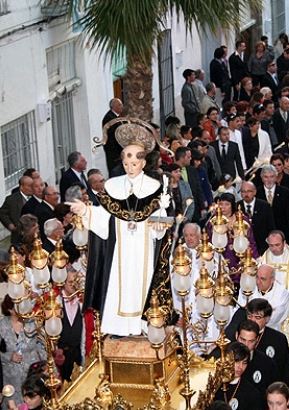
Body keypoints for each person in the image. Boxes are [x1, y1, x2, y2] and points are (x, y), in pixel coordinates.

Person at [68, 127, 171, 336]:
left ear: (143, 163)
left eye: (134, 163)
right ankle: (118, 328)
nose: (129, 167)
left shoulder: (153, 187)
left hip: (143, 249)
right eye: (126, 163)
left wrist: (159, 229)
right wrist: (86, 211)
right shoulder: (113, 186)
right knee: (119, 284)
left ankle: (142, 325)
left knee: (142, 285)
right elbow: (104, 217)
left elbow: (159, 224)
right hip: (120, 249)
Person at [226, 298, 289, 384]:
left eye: (257, 317)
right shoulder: (235, 335)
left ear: (267, 319)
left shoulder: (278, 339)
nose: (252, 320)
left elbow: (284, 370)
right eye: (249, 316)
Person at [0, 295, 46, 407]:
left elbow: (42, 345)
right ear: (10, 310)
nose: (24, 308)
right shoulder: (2, 325)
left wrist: (47, 365)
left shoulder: (32, 322)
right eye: (19, 306)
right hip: (12, 378)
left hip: (32, 375)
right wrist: (9, 356)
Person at [237, 264, 289, 331]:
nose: (258, 282)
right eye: (257, 277)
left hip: (270, 330)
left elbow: (273, 318)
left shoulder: (282, 294)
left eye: (263, 279)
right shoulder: (247, 286)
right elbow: (241, 309)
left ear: (272, 279)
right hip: (246, 328)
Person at [214, 342, 262, 410]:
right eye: (237, 361)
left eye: (244, 363)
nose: (240, 367)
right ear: (226, 360)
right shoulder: (214, 386)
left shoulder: (251, 393)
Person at [238, 181, 275, 255]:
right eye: (243, 191)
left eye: (249, 191)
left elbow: (271, 226)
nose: (246, 194)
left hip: (262, 246)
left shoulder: (264, 206)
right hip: (243, 247)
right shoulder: (237, 206)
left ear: (254, 192)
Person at [256, 164, 289, 243]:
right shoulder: (256, 193)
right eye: (266, 177)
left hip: (283, 234)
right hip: (262, 236)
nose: (269, 180)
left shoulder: (285, 192)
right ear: (261, 178)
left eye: (272, 176)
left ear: (276, 177)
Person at [0, 176, 33, 245]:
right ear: (21, 187)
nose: (32, 188)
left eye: (32, 185)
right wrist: (9, 224)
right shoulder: (11, 200)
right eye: (29, 186)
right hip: (18, 237)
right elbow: (2, 213)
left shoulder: (36, 197)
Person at [102, 98, 124, 175]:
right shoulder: (109, 118)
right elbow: (114, 135)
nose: (122, 106)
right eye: (119, 105)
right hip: (114, 153)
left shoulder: (116, 117)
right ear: (113, 106)